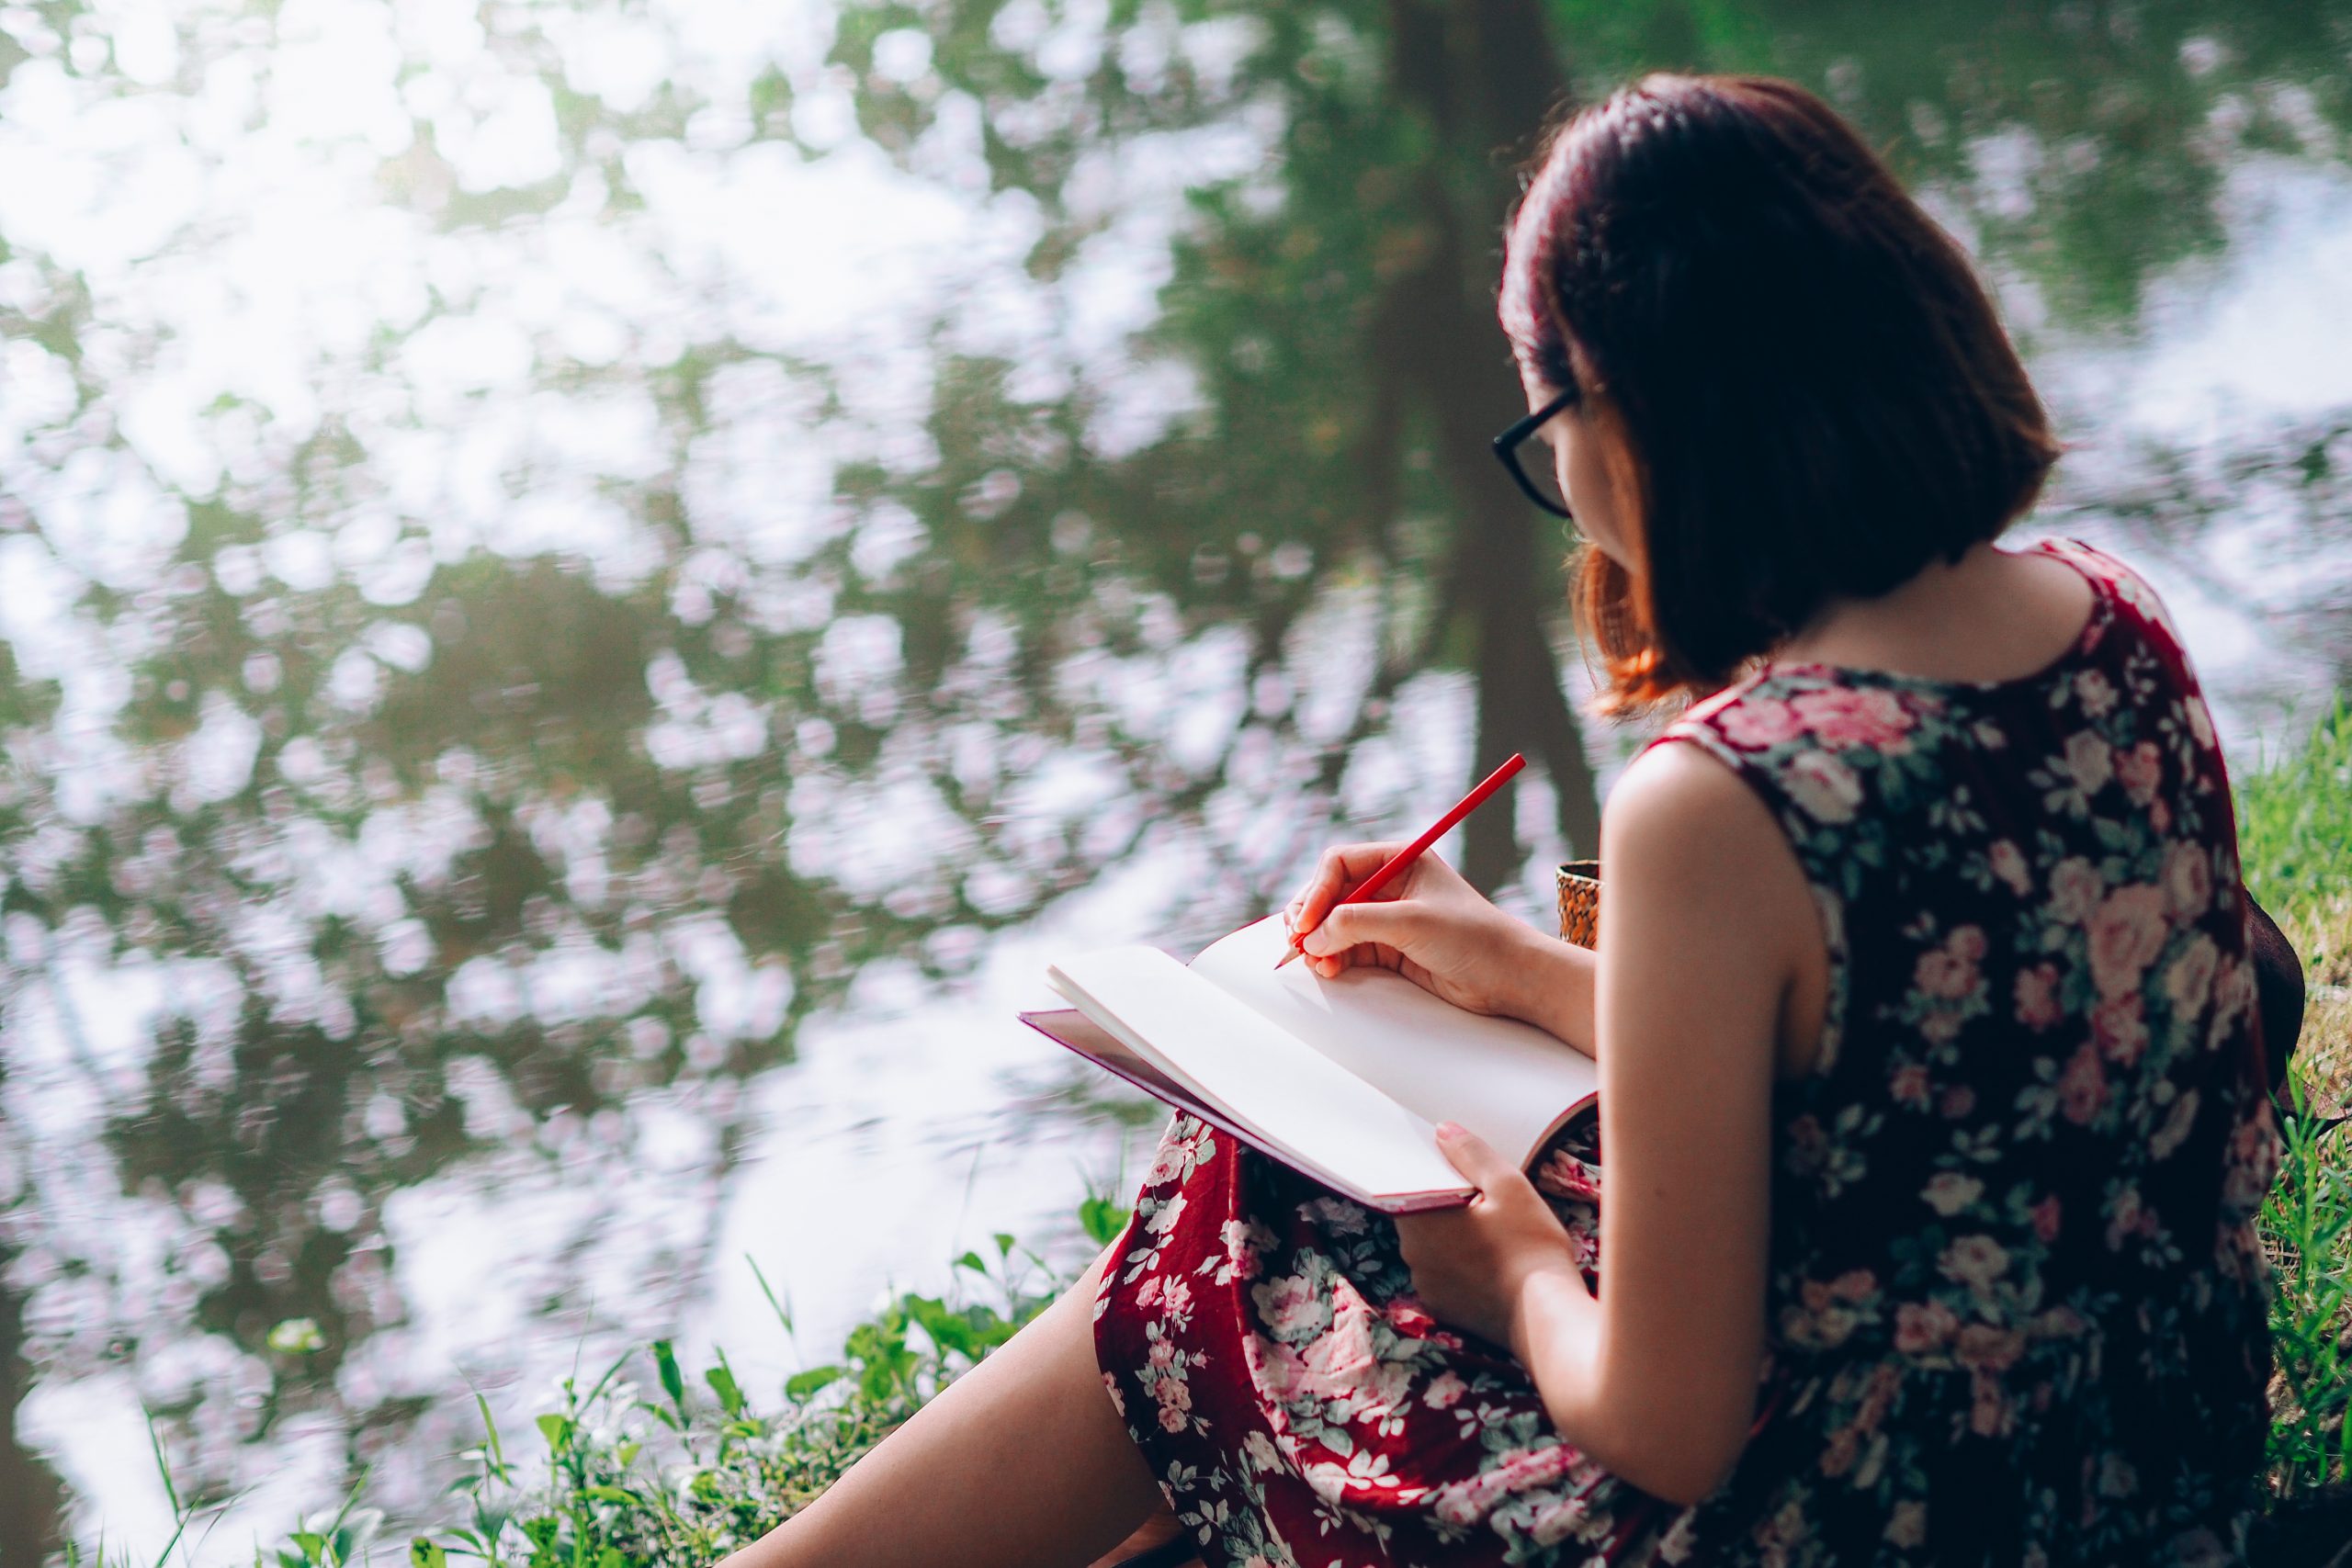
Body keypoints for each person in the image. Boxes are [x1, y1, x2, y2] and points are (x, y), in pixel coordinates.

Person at [718, 72, 2282, 1567]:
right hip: (2132, 1455)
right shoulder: (2110, 619)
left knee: (1223, 1241)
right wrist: (1511, 962)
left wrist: (1520, 1279)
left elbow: (1663, 1432)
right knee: (1287, 1194)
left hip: (1848, 1521)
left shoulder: (1731, 796)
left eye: (1547, 425)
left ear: (1633, 419)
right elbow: (1906, 1039)